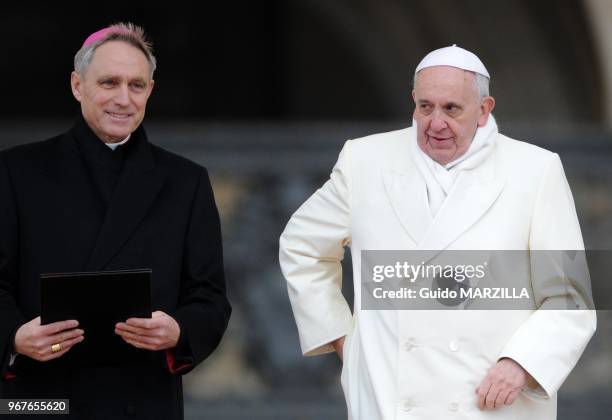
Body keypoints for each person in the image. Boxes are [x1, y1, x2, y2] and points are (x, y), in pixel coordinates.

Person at [279, 45, 596, 419]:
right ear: (413, 102)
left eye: (451, 109)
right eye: (425, 107)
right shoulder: (365, 160)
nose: (436, 123)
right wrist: (343, 340)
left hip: (491, 402)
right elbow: (302, 246)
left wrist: (522, 363)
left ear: (484, 109)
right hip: (387, 398)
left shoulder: (535, 171)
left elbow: (568, 298)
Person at [0, 23, 231, 419]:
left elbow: (209, 298)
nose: (123, 99)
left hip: (142, 400)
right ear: (78, 86)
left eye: (136, 85)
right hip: (40, 400)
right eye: (109, 83)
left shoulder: (185, 181)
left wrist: (178, 330)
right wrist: (14, 337)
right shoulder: (15, 172)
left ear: (150, 91)